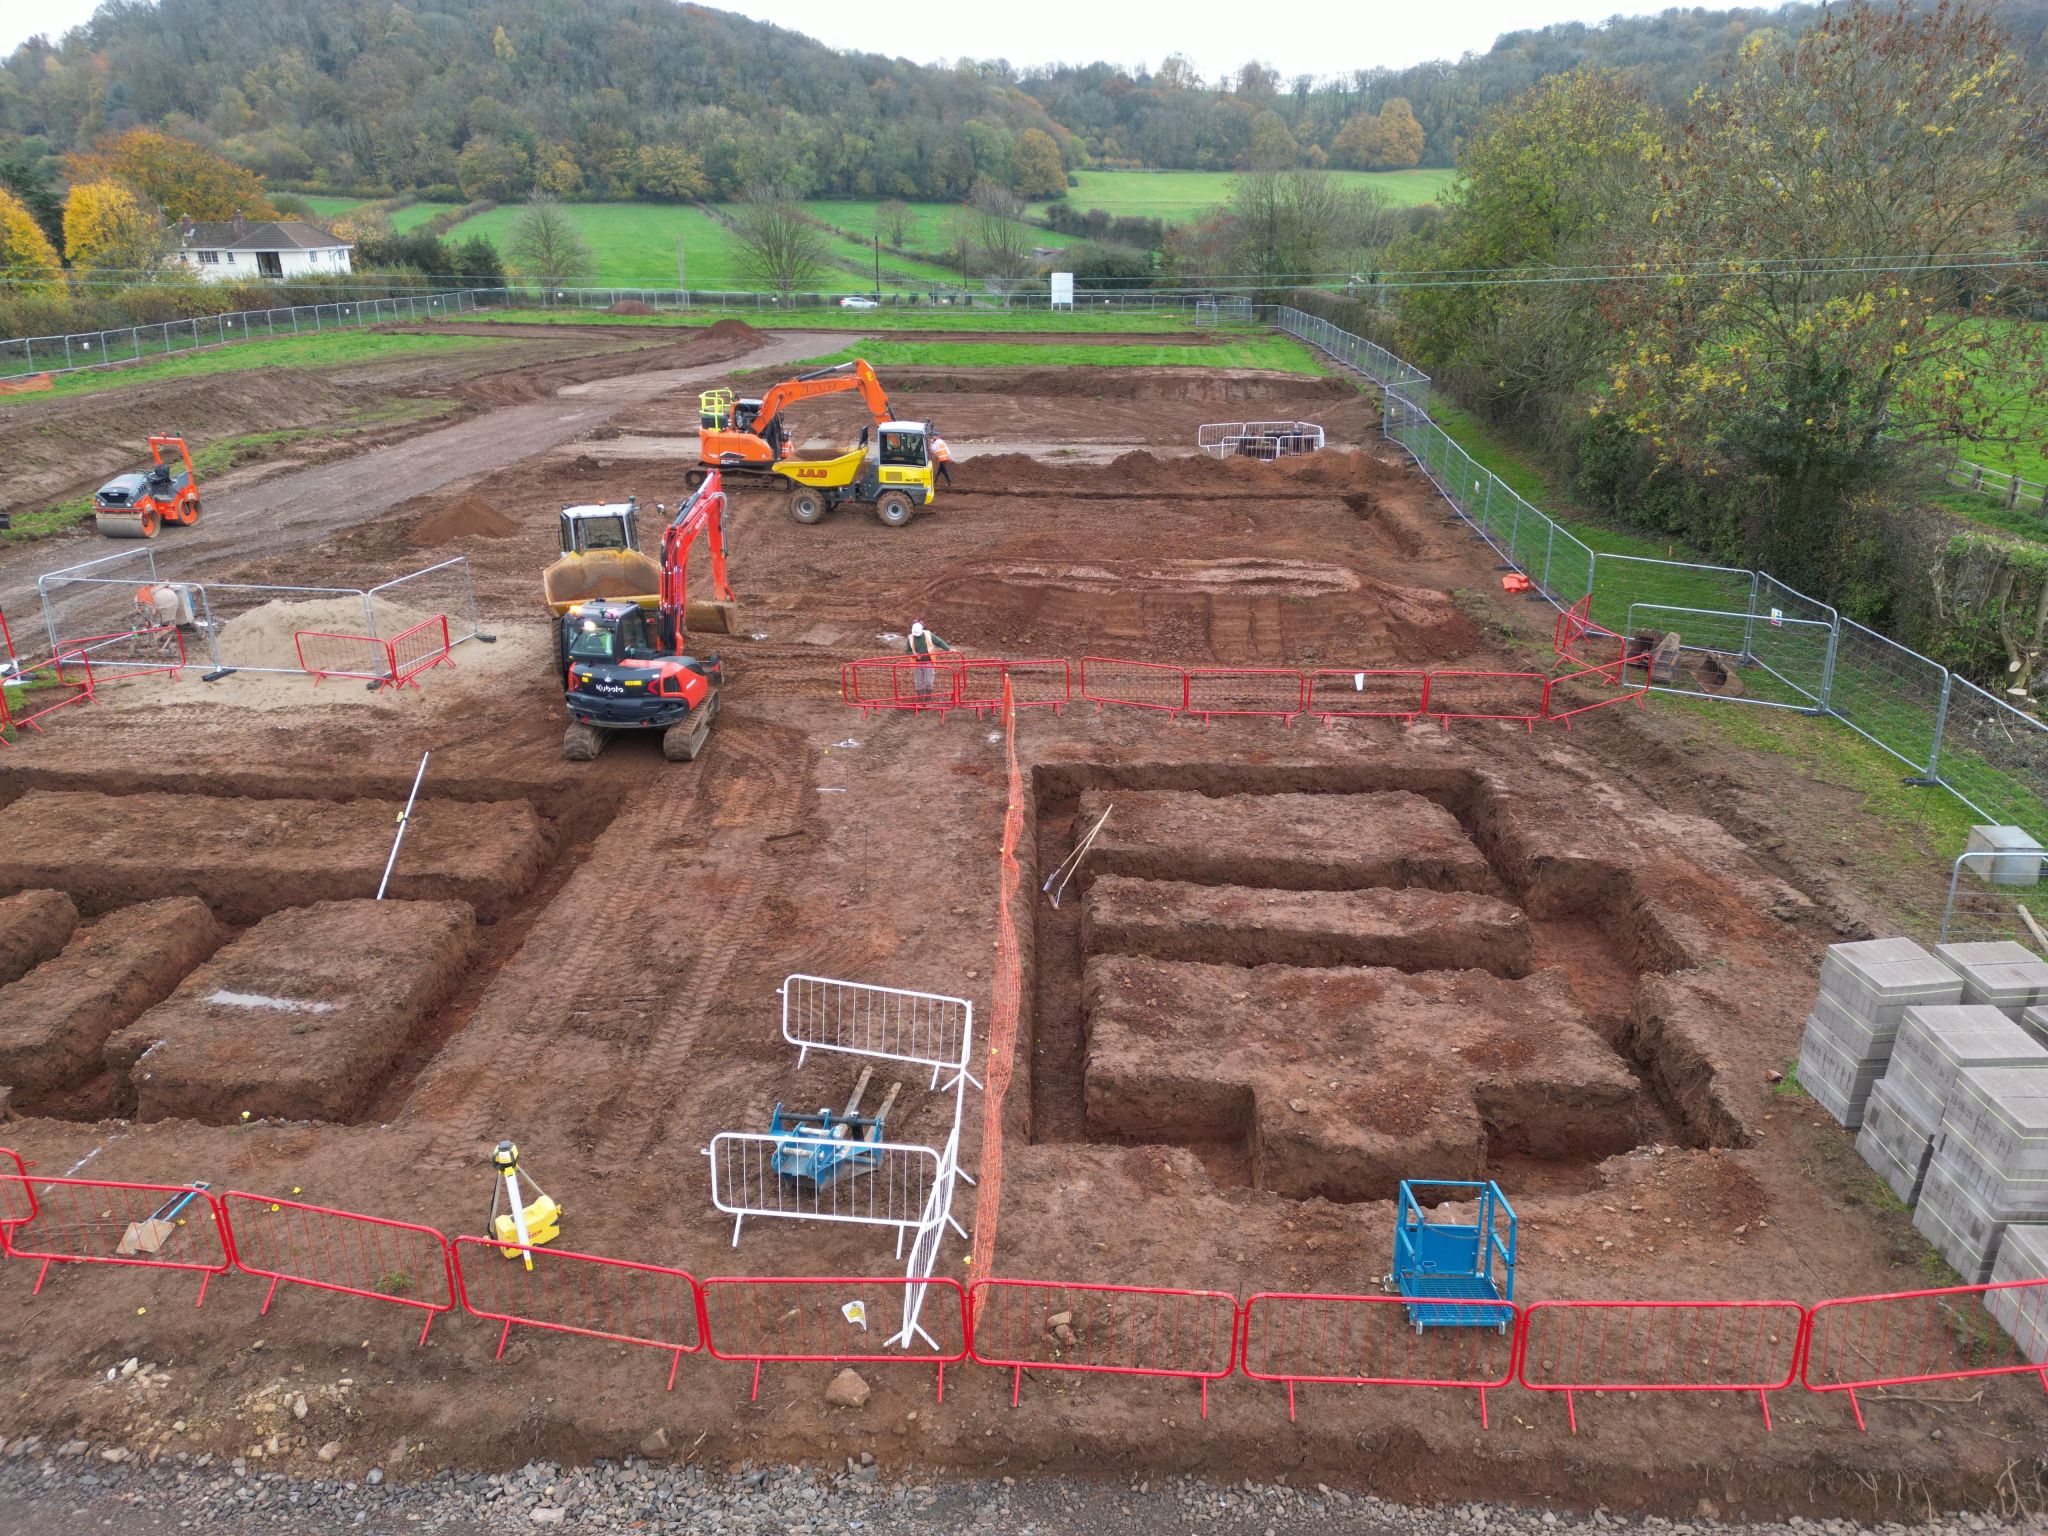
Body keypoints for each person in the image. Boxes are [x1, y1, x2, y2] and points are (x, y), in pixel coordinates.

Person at [906, 621, 954, 700]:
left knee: (928, 682)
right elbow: (908, 651)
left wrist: (948, 649)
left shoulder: (928, 635)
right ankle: (921, 699)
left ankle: (928, 699)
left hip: (929, 662)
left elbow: (939, 642)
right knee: (918, 683)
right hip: (917, 663)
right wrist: (914, 655)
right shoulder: (910, 638)